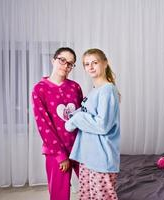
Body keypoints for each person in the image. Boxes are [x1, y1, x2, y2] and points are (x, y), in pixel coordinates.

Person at [65, 48, 120, 200]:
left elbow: (102, 125)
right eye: (86, 64)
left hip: (101, 157)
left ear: (105, 63)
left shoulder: (108, 90)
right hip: (88, 155)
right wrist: (72, 115)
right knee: (86, 195)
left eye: (94, 62)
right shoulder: (94, 91)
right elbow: (86, 112)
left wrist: (76, 119)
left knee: (102, 197)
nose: (90, 67)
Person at [32, 47, 83, 200]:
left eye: (70, 63)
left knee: (91, 186)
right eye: (62, 60)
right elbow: (44, 125)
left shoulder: (75, 87)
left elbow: (82, 117)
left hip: (80, 147)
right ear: (53, 60)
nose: (65, 65)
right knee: (59, 194)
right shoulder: (40, 89)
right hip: (56, 152)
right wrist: (61, 155)